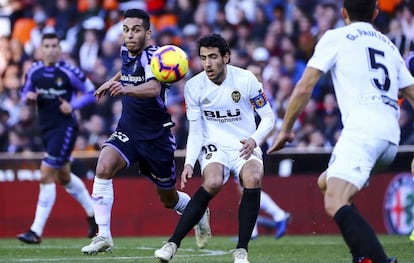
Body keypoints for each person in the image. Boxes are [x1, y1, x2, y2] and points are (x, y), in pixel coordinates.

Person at [267, 0, 414, 262]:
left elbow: (304, 87)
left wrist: (286, 129)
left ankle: (378, 260)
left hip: (363, 133)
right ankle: (362, 256)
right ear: (376, 14)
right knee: (326, 182)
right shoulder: (389, 45)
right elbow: (412, 93)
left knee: (335, 200)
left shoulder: (336, 37)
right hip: (391, 139)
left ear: (343, 13)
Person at [80, 9, 210, 255]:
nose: (130, 35)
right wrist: (112, 80)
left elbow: (152, 88)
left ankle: (196, 209)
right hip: (128, 130)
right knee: (103, 166)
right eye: (126, 30)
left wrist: (125, 88)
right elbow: (128, 72)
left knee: (168, 199)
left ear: (148, 33)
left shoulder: (155, 57)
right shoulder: (124, 51)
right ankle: (103, 235)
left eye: (136, 30)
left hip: (156, 137)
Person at [154, 33, 275, 263]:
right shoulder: (194, 87)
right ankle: (172, 244)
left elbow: (268, 118)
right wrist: (189, 161)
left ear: (226, 57)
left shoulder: (247, 80)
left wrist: (254, 139)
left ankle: (241, 250)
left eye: (213, 57)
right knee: (212, 182)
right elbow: (196, 129)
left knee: (253, 178)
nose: (207, 63)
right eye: (203, 58)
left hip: (243, 144)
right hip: (214, 145)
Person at [17, 32, 98, 244]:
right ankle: (94, 216)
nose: (51, 49)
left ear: (60, 49)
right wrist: (29, 97)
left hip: (65, 128)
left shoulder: (69, 71)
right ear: (41, 49)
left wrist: (73, 106)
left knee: (46, 174)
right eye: (47, 46)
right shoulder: (34, 71)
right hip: (46, 128)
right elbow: (24, 93)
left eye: (55, 45)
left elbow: (91, 92)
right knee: (63, 176)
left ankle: (35, 231)